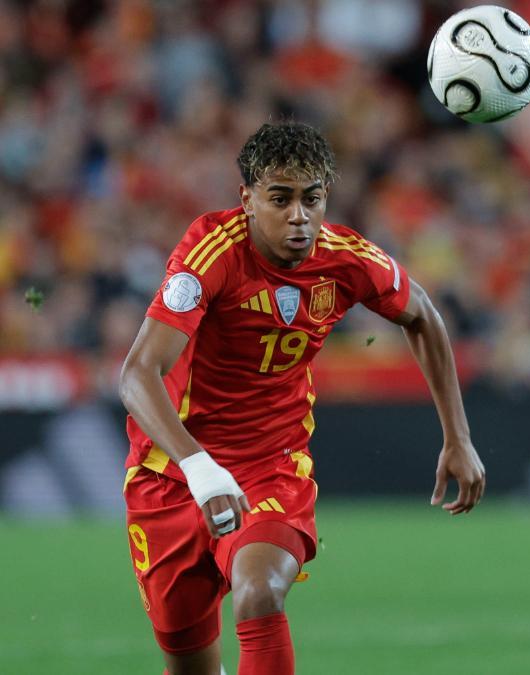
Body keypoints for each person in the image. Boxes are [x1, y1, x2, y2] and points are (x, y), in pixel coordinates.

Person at [120, 121, 486, 675]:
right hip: (170, 476)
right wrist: (199, 466)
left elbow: (424, 317)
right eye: (281, 198)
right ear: (247, 199)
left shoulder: (345, 259)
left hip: (272, 469)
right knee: (189, 663)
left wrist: (457, 437)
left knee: (260, 590)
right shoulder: (211, 251)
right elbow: (137, 374)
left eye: (312, 199)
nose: (299, 216)